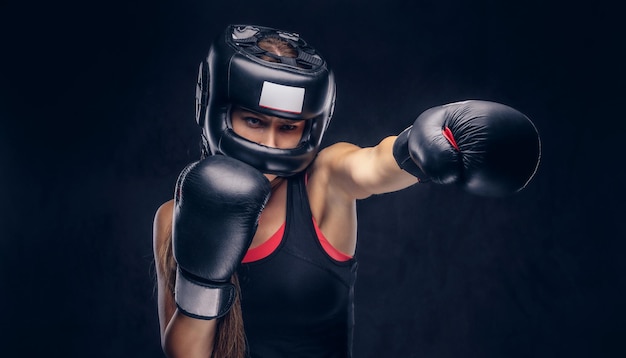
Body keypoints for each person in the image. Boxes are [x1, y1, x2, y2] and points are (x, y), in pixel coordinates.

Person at [153, 24, 541, 358]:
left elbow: (372, 166)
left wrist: (421, 146)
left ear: (310, 129)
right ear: (217, 110)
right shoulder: (174, 216)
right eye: (253, 120)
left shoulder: (323, 180)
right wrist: (204, 283)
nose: (270, 144)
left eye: (287, 128)